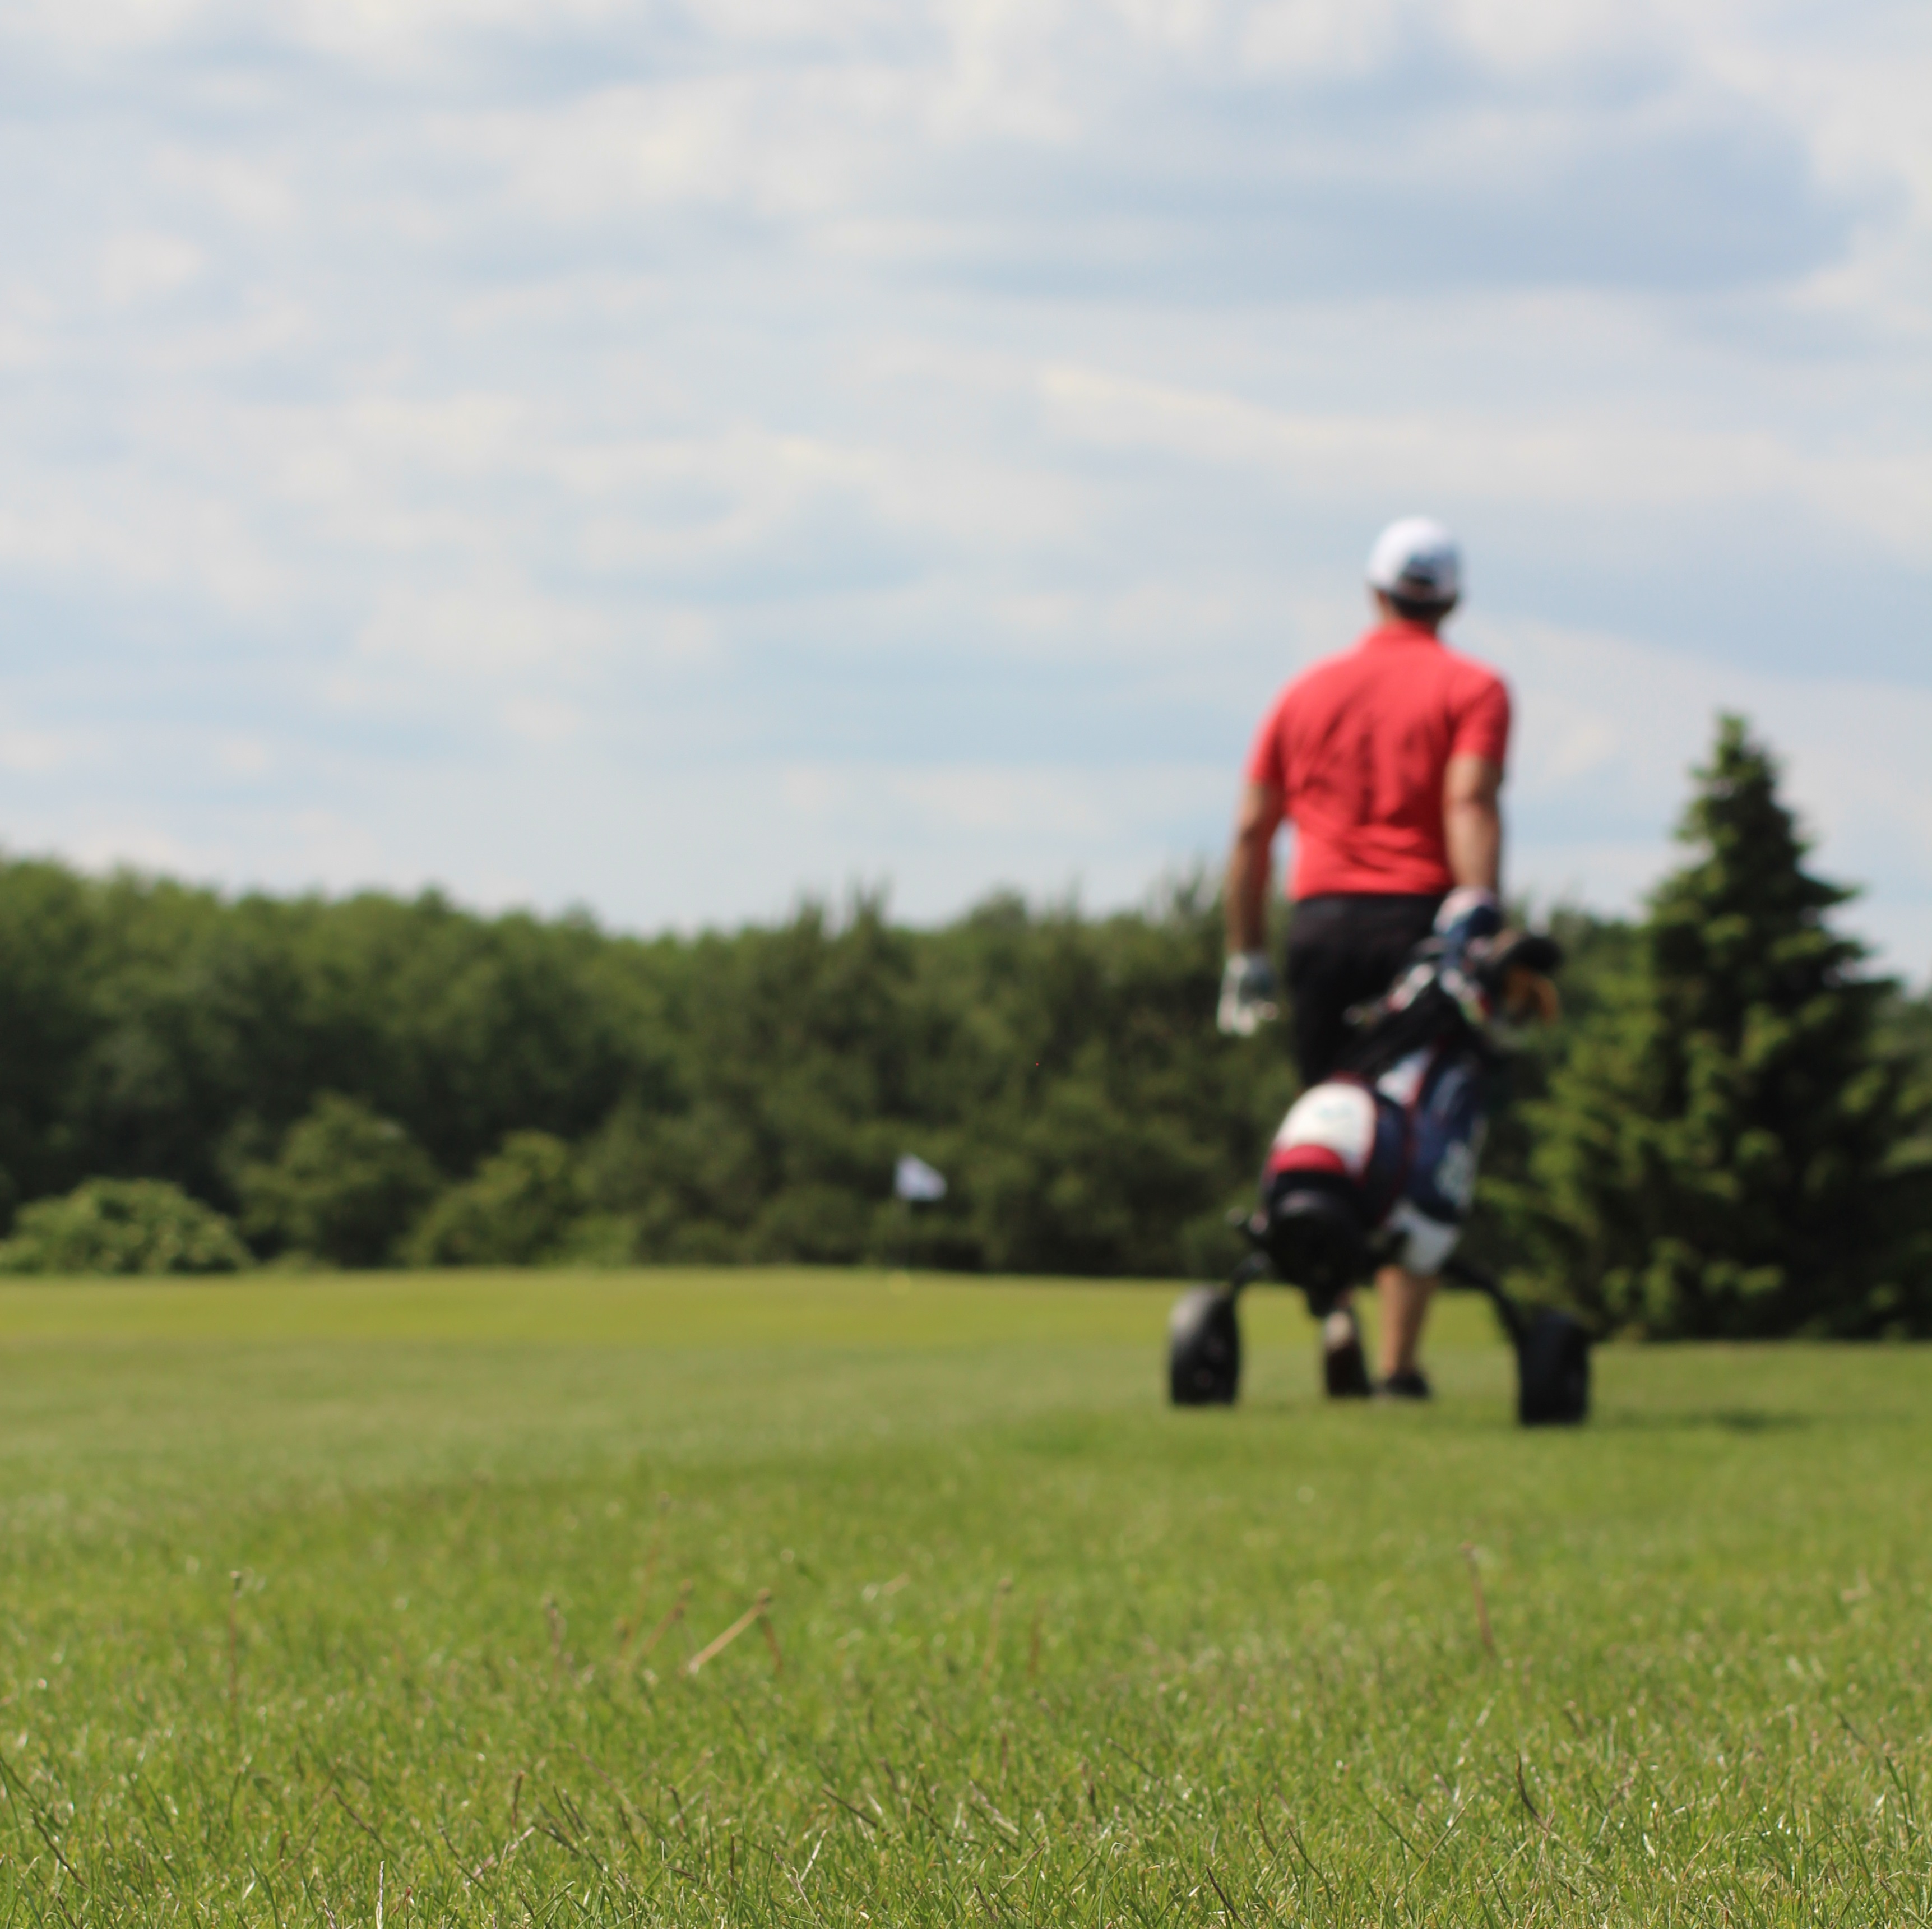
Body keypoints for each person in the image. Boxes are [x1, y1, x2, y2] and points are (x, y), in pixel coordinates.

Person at [1216, 516, 1511, 1400]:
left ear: (1374, 590)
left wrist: (1245, 952)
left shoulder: (1305, 691)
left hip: (1320, 926)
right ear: (1451, 598)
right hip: (1421, 923)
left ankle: (1331, 1303)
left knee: (1333, 1117)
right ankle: (1397, 1361)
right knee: (1424, 1125)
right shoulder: (1476, 688)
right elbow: (1469, 798)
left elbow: (1250, 831)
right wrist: (1478, 914)